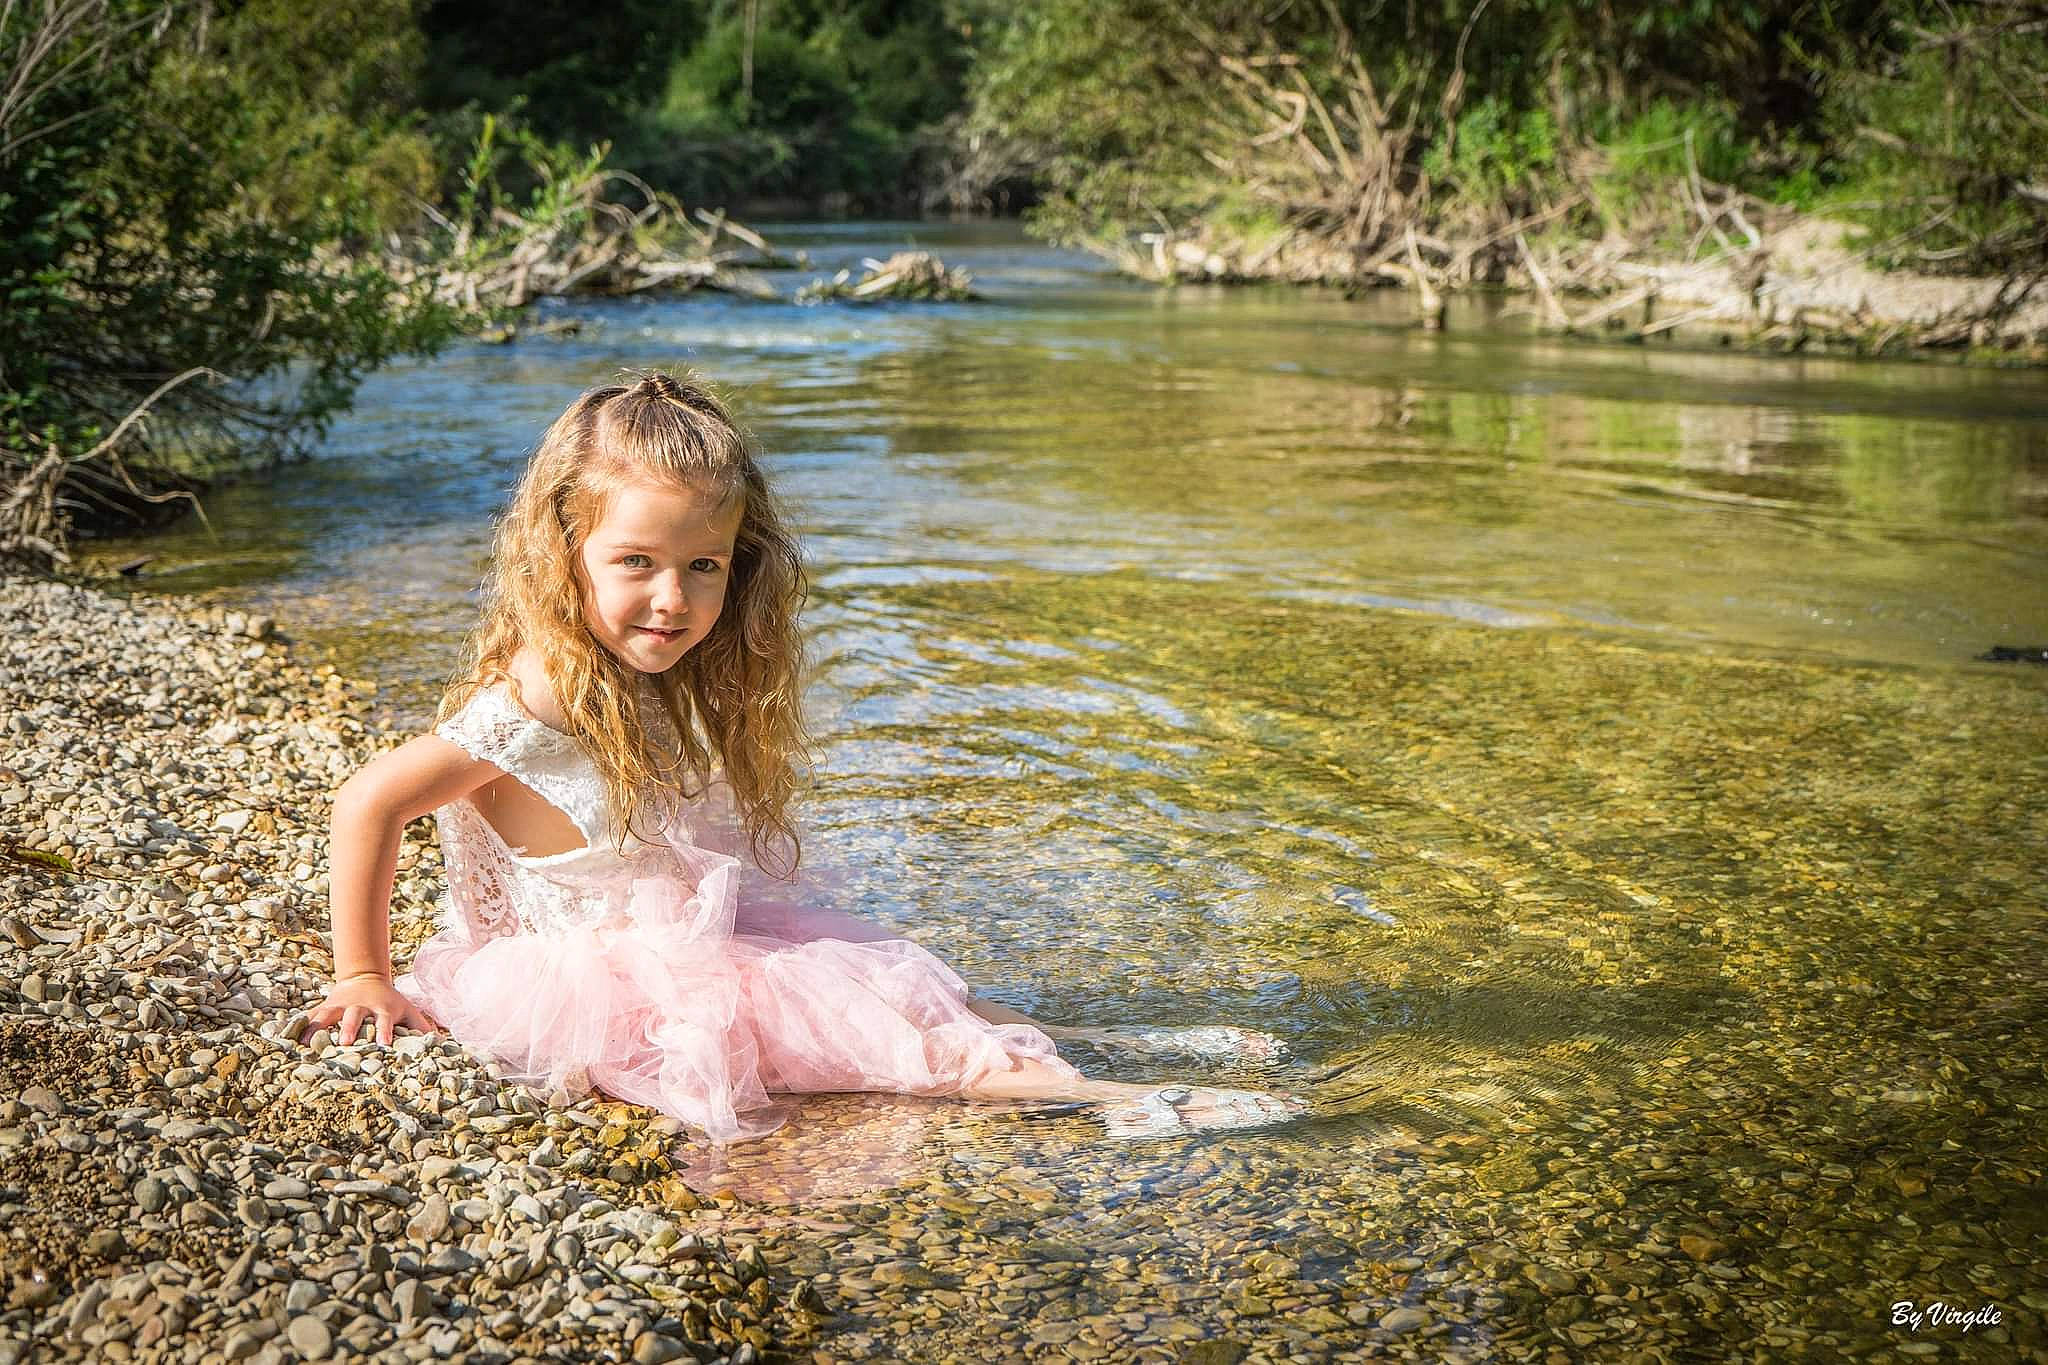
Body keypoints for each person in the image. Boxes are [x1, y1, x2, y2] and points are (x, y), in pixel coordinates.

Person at [298, 371, 1306, 1143]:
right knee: (889, 1038)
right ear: (564, 553)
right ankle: (1112, 1097)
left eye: (703, 568)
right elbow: (368, 800)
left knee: (906, 984)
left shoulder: (618, 667)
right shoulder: (539, 694)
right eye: (635, 563)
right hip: (614, 984)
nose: (673, 599)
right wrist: (363, 974)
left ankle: (1111, 1047)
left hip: (677, 938)